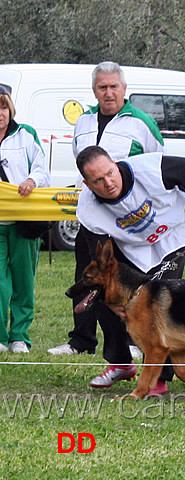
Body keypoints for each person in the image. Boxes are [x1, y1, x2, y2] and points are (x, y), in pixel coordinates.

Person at [74, 146, 185, 394]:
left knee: (157, 304)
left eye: (110, 173)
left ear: (115, 162)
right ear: (87, 184)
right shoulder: (88, 208)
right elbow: (100, 260)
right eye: (98, 181)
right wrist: (111, 299)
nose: (108, 183)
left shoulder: (151, 168)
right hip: (134, 246)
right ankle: (121, 363)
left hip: (174, 234)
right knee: (102, 297)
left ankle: (158, 378)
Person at [48, 61, 164, 357]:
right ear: (94, 90)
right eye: (103, 87)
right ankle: (81, 340)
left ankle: (132, 341)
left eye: (114, 86)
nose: (108, 92)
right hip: (91, 217)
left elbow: (157, 167)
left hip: (126, 220)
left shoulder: (142, 122)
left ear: (124, 89)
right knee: (86, 275)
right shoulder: (83, 122)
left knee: (125, 279)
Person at [0, 86, 51, 353]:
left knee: (23, 281)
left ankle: (19, 335)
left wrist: (32, 180)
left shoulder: (25, 135)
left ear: (10, 110)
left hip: (23, 222)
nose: (0, 113)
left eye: (3, 107)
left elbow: (42, 169)